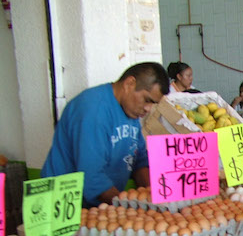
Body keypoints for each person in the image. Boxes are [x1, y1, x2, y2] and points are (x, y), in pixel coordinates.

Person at [41, 62, 169, 207]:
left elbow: (139, 160)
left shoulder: (130, 112)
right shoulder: (93, 110)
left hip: (98, 207)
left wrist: (153, 197)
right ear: (129, 84)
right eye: (147, 100)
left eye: (153, 104)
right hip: (62, 206)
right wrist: (129, 207)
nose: (148, 109)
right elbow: (91, 176)